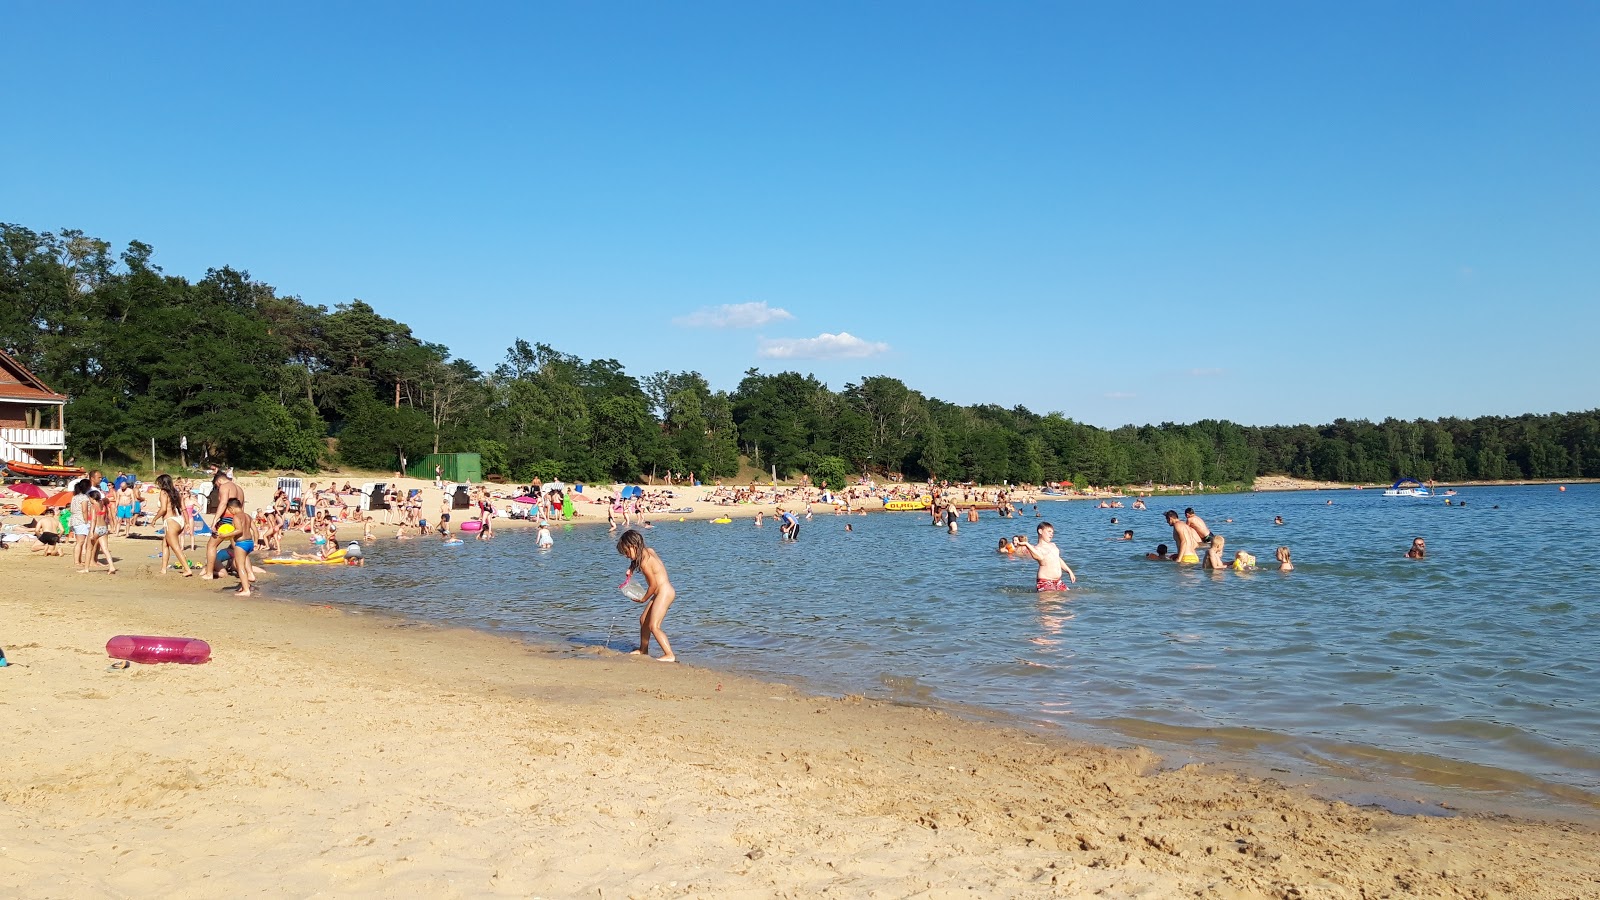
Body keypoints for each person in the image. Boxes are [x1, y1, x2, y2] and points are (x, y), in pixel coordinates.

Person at [617, 529, 676, 662]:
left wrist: (643, 599)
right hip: (661, 592)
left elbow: (653, 585)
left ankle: (669, 654)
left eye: (627, 552)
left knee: (654, 626)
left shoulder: (644, 563)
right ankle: (643, 649)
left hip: (664, 592)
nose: (626, 555)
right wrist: (631, 569)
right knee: (644, 620)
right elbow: (636, 559)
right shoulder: (648, 551)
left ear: (634, 546)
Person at [201, 471, 246, 581]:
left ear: (219, 480)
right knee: (238, 547)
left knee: (211, 545)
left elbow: (223, 503)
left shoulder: (224, 486)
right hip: (238, 519)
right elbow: (241, 508)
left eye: (216, 486)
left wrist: (215, 520)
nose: (217, 488)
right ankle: (245, 572)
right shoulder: (239, 489)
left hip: (226, 518)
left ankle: (209, 573)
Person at [1014, 522, 1075, 592]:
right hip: (1045, 581)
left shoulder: (1053, 545)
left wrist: (1069, 571)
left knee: (1070, 599)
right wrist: (1027, 544)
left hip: (1058, 581)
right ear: (1040, 531)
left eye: (1052, 532)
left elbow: (1058, 559)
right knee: (1050, 602)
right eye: (1049, 531)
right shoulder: (1038, 548)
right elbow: (1039, 557)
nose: (1051, 534)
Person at [155, 474, 195, 576]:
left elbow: (163, 509)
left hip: (170, 521)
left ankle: (187, 569)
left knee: (175, 547)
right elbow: (183, 509)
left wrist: (154, 519)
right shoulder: (176, 493)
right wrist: (186, 523)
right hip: (179, 520)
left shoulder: (163, 493)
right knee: (165, 544)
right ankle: (163, 569)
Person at [215, 497, 257, 594]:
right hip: (249, 542)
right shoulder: (247, 516)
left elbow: (239, 530)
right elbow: (255, 530)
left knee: (240, 566)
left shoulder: (236, 517)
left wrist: (224, 535)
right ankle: (249, 579)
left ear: (231, 508)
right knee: (245, 560)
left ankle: (246, 590)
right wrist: (256, 542)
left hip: (241, 543)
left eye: (229, 510)